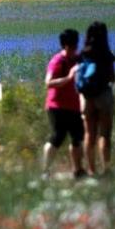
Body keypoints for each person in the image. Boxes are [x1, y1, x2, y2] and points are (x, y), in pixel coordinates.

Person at [42, 29, 86, 179]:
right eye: (73, 45)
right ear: (65, 46)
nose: (75, 48)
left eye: (76, 45)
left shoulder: (78, 59)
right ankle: (45, 171)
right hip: (57, 106)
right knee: (58, 136)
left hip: (74, 106)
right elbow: (48, 83)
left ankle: (78, 170)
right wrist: (69, 77)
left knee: (77, 138)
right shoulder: (57, 61)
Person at [77, 22, 115, 176]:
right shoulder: (106, 54)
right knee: (105, 135)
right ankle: (106, 168)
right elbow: (112, 78)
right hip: (103, 97)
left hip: (86, 98)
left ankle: (91, 170)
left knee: (89, 134)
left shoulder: (83, 54)